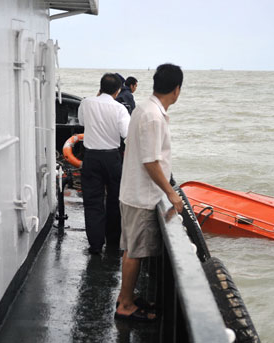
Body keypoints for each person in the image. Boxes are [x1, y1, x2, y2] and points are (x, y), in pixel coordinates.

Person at [115, 64, 184, 321]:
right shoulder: (153, 116)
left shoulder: (144, 108)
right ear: (177, 90)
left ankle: (127, 297)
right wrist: (172, 193)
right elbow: (150, 161)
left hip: (133, 192)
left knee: (131, 249)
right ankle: (124, 305)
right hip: (142, 196)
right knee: (134, 252)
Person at [78, 73, 130, 254]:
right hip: (112, 158)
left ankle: (95, 245)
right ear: (118, 91)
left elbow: (82, 122)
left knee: (93, 202)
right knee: (114, 200)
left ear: (100, 87)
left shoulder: (86, 103)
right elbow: (127, 134)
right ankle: (113, 242)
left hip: (91, 157)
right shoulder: (120, 109)